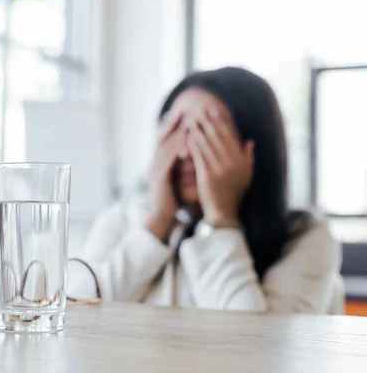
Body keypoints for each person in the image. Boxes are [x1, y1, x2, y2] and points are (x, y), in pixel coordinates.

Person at [80, 67, 344, 314]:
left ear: (254, 150)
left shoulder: (306, 237)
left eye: (206, 133)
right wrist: (157, 222)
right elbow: (76, 314)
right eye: (175, 129)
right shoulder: (121, 221)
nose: (184, 152)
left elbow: (254, 355)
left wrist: (220, 219)